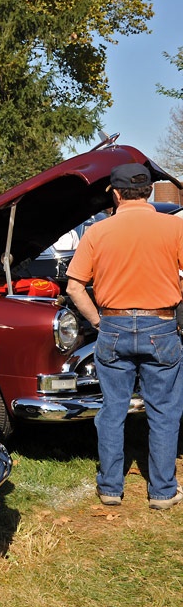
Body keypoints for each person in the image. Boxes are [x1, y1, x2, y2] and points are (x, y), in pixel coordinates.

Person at [66, 162, 183, 510]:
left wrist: (99, 322)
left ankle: (111, 488)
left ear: (115, 194)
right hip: (160, 326)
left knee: (112, 410)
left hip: (113, 327)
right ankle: (162, 492)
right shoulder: (173, 228)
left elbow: (74, 287)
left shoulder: (97, 232)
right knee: (164, 411)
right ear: (147, 191)